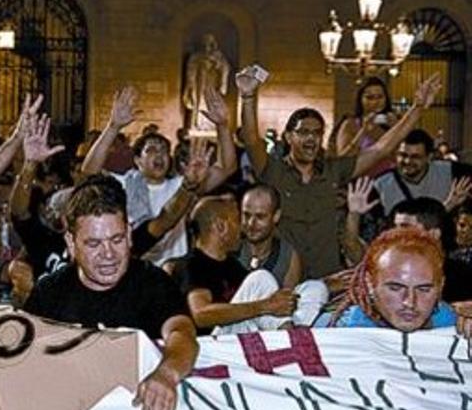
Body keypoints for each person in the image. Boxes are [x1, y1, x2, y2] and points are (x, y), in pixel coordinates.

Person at [26, 175, 199, 410]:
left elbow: (182, 333)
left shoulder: (152, 282)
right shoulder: (49, 293)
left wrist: (167, 374)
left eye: (116, 240)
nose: (108, 254)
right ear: (71, 244)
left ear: (129, 234)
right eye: (94, 244)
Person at [239, 68, 442, 278]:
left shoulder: (334, 170)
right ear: (289, 137)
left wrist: (417, 108)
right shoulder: (274, 171)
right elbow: (252, 139)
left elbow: (381, 149)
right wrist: (248, 97)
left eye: (317, 133)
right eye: (303, 132)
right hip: (283, 278)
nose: (311, 139)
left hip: (328, 279)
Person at [327, 227, 471, 410]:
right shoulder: (344, 335)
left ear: (441, 286)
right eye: (395, 288)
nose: (410, 303)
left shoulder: (452, 321)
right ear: (370, 283)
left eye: (424, 289)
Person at [81, 83, 236, 266]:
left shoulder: (183, 185)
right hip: (135, 267)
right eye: (151, 150)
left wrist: (223, 126)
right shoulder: (122, 185)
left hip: (172, 271)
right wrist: (113, 127)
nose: (159, 155)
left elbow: (227, 167)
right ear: (137, 160)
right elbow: (89, 172)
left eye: (164, 150)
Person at [182, 195, 326, 335]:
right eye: (238, 221)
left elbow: (265, 302)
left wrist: (326, 283)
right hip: (213, 344)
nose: (243, 229)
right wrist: (264, 306)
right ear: (221, 227)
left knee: (313, 288)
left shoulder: (232, 265)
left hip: (244, 332)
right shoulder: (192, 264)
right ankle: (290, 337)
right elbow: (201, 315)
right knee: (261, 278)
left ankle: (298, 334)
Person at [372, 128, 472, 214]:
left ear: (429, 157)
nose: (407, 161)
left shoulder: (450, 172)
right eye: (403, 155)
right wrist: (448, 205)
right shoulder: (381, 185)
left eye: (415, 157)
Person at [236, 184, 302, 288]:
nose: (251, 223)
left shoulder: (287, 257)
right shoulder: (228, 249)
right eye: (246, 215)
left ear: (276, 216)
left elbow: (288, 300)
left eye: (260, 217)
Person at [182, 33, 231, 134]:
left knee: (212, 102)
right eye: (205, 41)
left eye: (209, 41)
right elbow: (190, 70)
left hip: (213, 83)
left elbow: (225, 68)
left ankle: (211, 125)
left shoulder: (218, 56)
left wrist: (222, 81)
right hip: (199, 84)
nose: (207, 44)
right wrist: (190, 85)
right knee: (199, 103)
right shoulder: (196, 56)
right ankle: (198, 124)